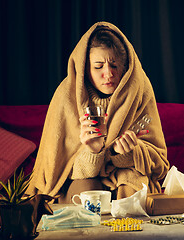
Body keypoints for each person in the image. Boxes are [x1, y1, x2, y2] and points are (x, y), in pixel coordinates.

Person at [27, 22, 169, 202]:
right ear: (84, 68)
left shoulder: (140, 91)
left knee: (131, 187)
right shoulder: (66, 96)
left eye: (114, 65)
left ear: (126, 66)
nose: (108, 73)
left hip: (128, 175)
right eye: (98, 66)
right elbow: (55, 174)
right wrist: (92, 152)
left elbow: (160, 165)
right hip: (82, 178)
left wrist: (126, 154)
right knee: (86, 192)